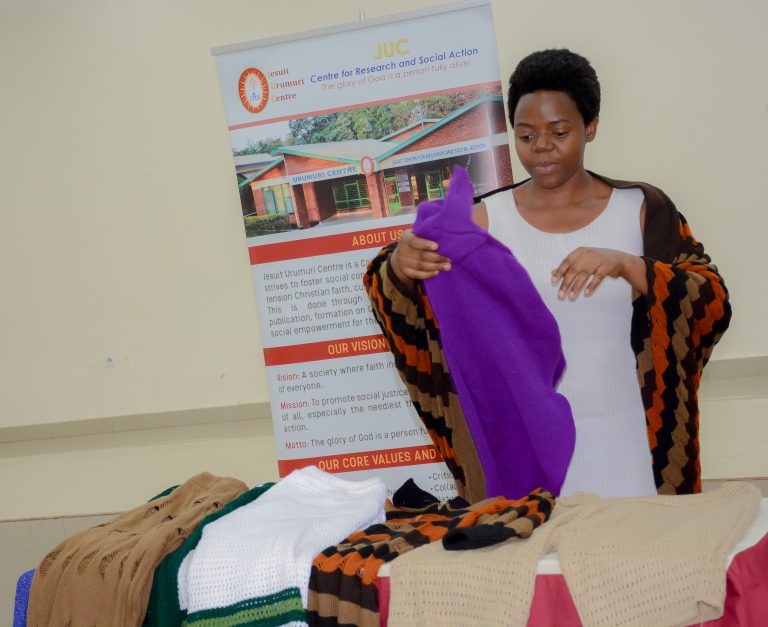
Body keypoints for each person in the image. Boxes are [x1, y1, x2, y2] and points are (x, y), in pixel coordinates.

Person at [363, 49, 731, 501]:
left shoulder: (642, 210)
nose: (541, 147)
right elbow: (411, 303)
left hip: (637, 454)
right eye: (526, 135)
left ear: (590, 127)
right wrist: (400, 267)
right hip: (527, 468)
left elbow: (712, 302)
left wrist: (631, 266)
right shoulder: (482, 222)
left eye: (559, 132)